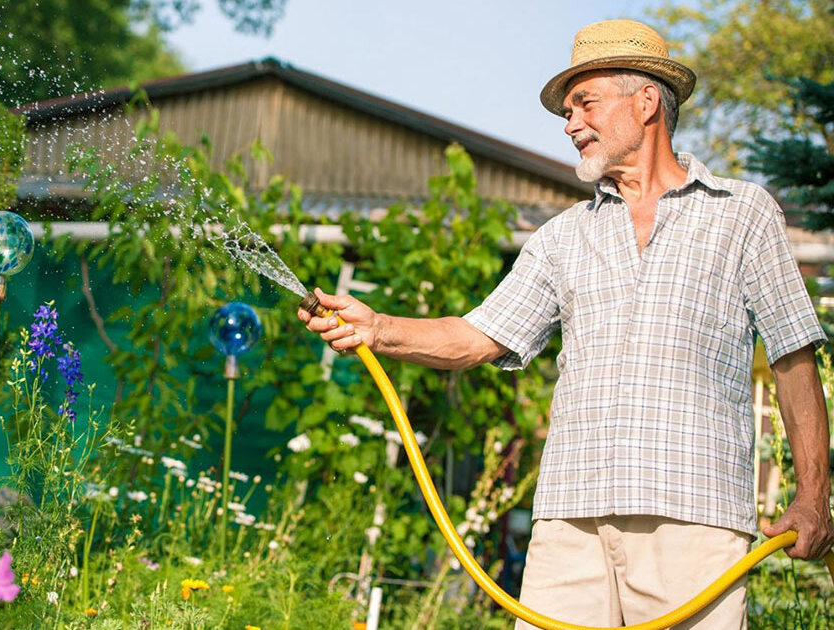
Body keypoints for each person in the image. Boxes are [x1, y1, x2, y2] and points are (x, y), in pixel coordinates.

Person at [298, 18, 833, 629]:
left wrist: (814, 497)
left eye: (586, 103)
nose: (570, 122)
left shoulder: (742, 215)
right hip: (570, 522)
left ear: (647, 101)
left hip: (694, 515)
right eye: (567, 109)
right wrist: (378, 328)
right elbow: (479, 336)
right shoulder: (563, 237)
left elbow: (794, 356)